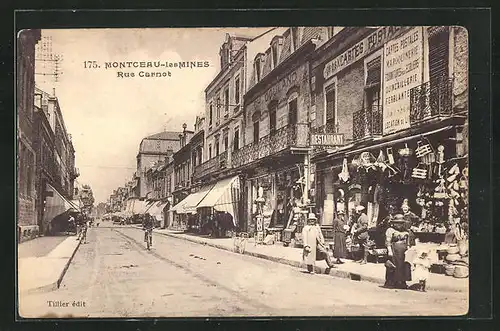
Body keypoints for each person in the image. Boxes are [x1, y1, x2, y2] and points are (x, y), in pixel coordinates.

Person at [384, 214, 412, 289]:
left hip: (403, 250)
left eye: (401, 223)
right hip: (395, 249)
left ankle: (402, 281)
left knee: (403, 266)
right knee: (394, 266)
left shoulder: (406, 231)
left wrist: (409, 249)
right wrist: (389, 250)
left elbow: (408, 241)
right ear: (394, 223)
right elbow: (388, 241)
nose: (399, 225)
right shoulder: (390, 230)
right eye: (397, 223)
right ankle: (391, 282)